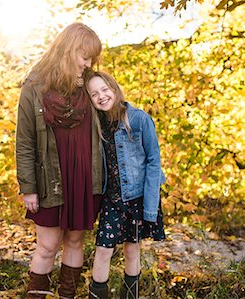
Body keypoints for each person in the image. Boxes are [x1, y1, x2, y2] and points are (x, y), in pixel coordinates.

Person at [15, 23, 103, 299]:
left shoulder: (90, 85)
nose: (88, 63)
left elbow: (115, 108)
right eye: (84, 56)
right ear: (67, 50)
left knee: (76, 242)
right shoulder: (34, 88)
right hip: (49, 181)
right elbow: (25, 142)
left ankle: (66, 295)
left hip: (86, 178)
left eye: (91, 58)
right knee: (47, 246)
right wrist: (28, 187)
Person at [85, 71, 166, 299]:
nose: (101, 96)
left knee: (132, 250)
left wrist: (150, 206)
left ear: (114, 88)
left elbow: (153, 162)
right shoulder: (96, 126)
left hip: (137, 197)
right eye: (94, 94)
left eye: (104, 89)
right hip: (112, 200)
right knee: (103, 250)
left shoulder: (139, 119)